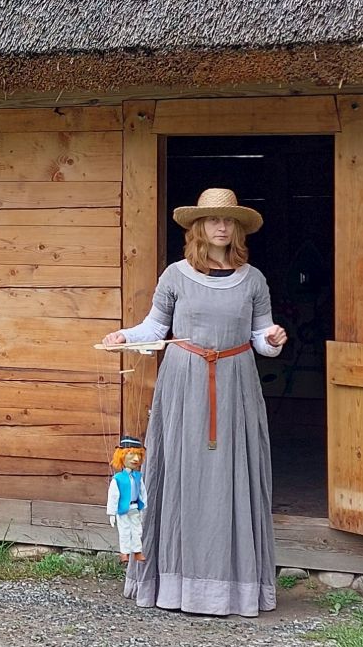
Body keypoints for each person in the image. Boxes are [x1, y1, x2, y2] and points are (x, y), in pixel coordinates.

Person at [99, 187, 288, 617]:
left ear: (238, 228)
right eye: (212, 220)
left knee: (231, 477)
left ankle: (231, 589)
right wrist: (124, 336)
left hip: (235, 383)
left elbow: (261, 338)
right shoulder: (175, 275)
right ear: (198, 227)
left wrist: (273, 339)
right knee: (181, 474)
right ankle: (173, 585)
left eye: (229, 221)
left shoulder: (253, 279)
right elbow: (155, 327)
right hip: (184, 384)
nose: (221, 226)